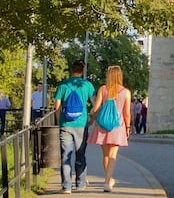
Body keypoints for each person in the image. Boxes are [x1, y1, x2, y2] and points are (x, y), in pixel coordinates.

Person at [53, 60, 95, 193]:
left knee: (65, 155)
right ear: (82, 71)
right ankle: (80, 184)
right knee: (80, 154)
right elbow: (95, 104)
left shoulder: (63, 85)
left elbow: (57, 107)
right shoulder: (87, 85)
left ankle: (66, 187)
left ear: (71, 70)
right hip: (82, 124)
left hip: (66, 124)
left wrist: (60, 122)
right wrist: (91, 119)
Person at [88, 65, 131, 192]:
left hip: (102, 126)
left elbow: (96, 108)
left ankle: (108, 179)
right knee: (113, 155)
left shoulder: (103, 89)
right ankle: (107, 182)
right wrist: (128, 127)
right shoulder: (125, 92)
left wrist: (92, 120)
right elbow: (127, 113)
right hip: (117, 126)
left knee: (106, 155)